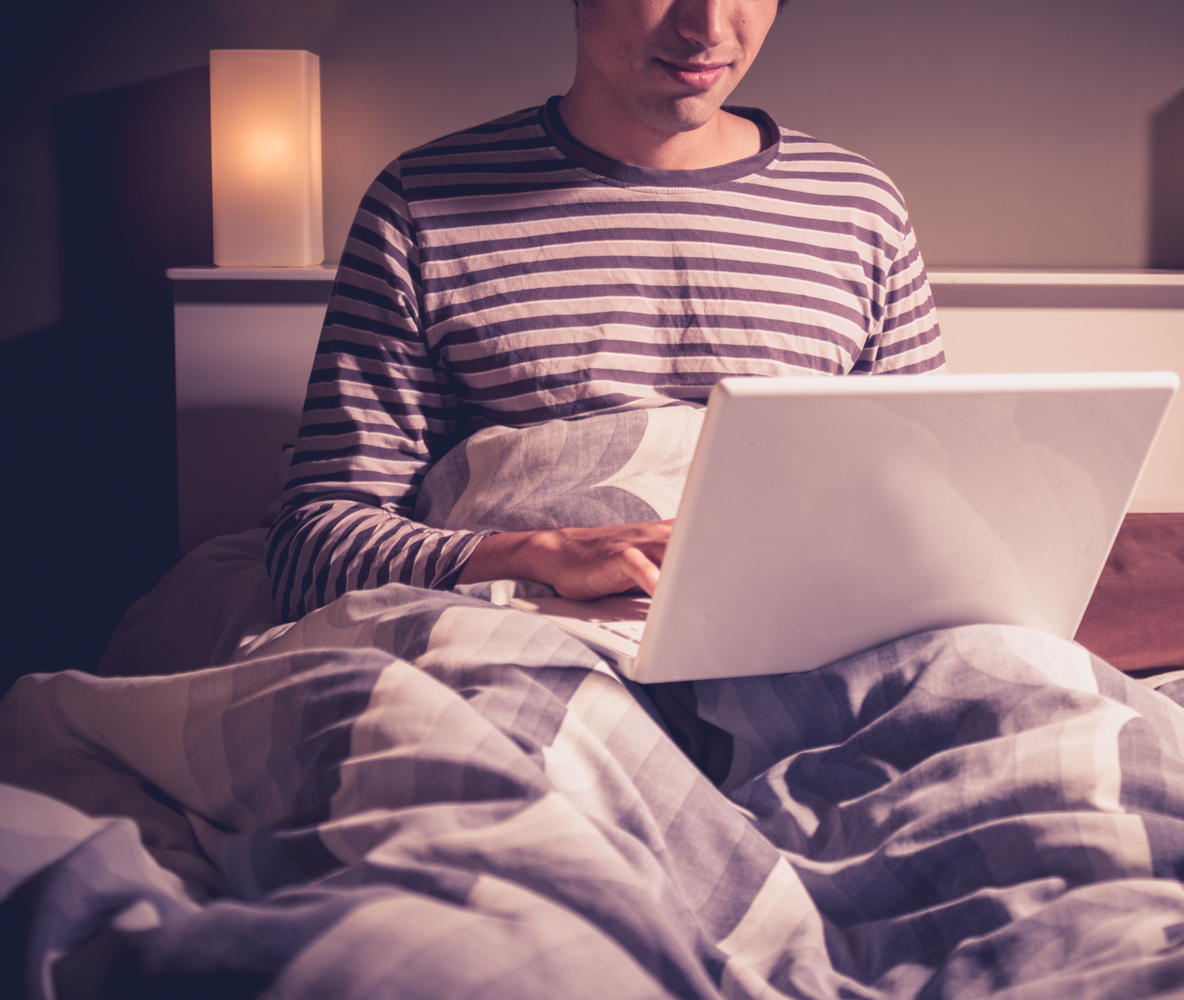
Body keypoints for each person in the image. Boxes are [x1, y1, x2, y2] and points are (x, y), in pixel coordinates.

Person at [266, 0, 945, 622]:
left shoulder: (860, 208)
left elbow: (935, 511)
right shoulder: (421, 204)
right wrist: (539, 553)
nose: (708, 28)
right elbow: (312, 548)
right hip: (526, 635)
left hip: (798, 634)